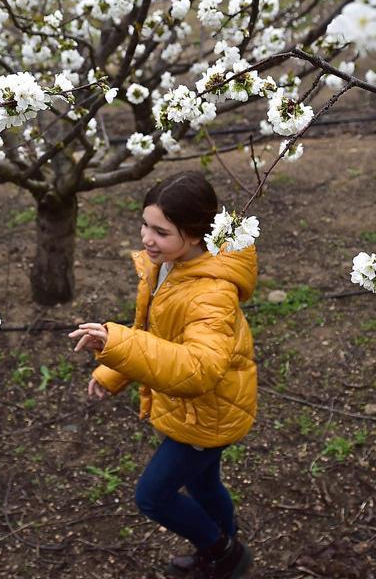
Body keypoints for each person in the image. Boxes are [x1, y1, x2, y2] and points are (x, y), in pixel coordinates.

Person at [69, 171, 257, 579]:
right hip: (194, 408)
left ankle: (221, 549)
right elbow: (157, 335)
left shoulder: (212, 293)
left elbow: (199, 369)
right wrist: (114, 371)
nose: (146, 238)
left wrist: (115, 344)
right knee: (205, 487)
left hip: (209, 411)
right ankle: (225, 551)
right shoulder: (169, 265)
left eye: (160, 231)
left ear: (193, 236)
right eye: (144, 224)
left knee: (153, 496)